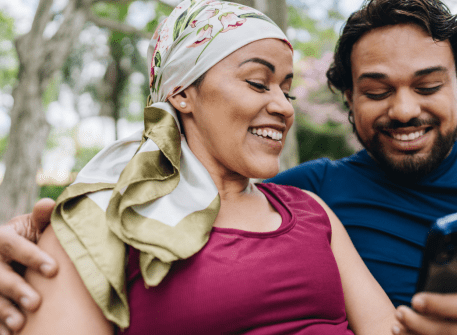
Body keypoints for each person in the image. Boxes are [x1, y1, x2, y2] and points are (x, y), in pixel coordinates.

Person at [1, 0, 457, 334]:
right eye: (377, 89)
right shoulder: (318, 192)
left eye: (428, 84)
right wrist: (29, 237)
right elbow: (188, 202)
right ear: (348, 100)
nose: (405, 109)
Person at [0, 1, 399, 334]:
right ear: (181, 93)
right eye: (259, 83)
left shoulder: (312, 211)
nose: (283, 106)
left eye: (286, 88)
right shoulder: (97, 222)